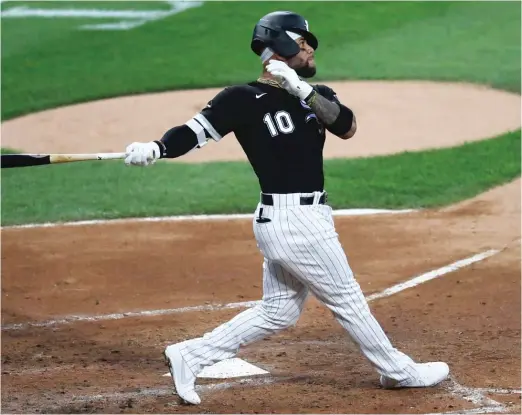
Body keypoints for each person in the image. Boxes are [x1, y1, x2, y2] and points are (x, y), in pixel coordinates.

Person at [124, 10, 450, 405]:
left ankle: (191, 355)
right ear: (279, 45)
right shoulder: (241, 99)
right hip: (292, 221)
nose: (311, 49)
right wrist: (156, 149)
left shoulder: (317, 95)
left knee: (279, 311)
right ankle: (399, 372)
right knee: (346, 298)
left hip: (303, 218)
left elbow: (346, 126)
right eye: (302, 43)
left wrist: (302, 90)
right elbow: (191, 133)